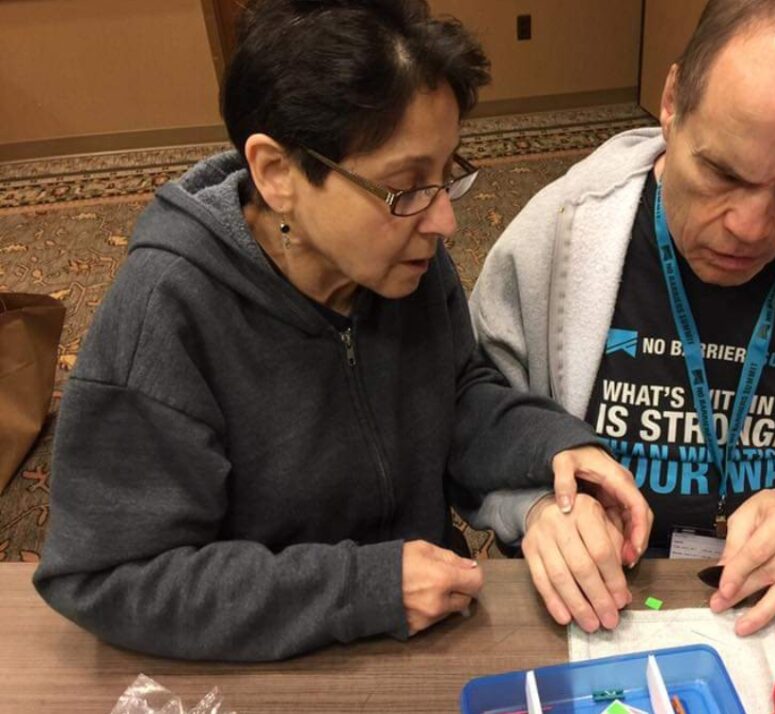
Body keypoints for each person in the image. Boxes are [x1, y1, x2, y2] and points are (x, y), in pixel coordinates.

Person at [33, 0, 650, 662]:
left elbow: (457, 391)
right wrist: (361, 588)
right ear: (277, 174)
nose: (444, 221)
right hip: (264, 664)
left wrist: (552, 446)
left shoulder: (403, 260)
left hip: (422, 629)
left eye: (447, 176)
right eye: (407, 186)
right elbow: (106, 577)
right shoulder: (167, 311)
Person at [469, 0, 775, 644]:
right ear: (671, 102)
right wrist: (535, 509)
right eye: (723, 173)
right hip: (580, 608)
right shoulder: (556, 233)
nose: (749, 229)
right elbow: (473, 419)